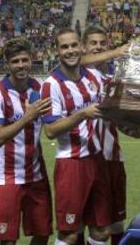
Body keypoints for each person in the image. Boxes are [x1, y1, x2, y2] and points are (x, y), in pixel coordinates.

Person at [40, 28, 111, 245]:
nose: (70, 51)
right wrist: (82, 113)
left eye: (73, 45)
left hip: (97, 159)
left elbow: (114, 104)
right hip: (71, 163)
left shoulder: (95, 77)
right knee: (69, 234)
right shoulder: (51, 85)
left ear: (81, 47)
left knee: (101, 230)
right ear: (57, 51)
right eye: (64, 47)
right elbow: (50, 130)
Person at [0, 37, 53, 245]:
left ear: (32, 60)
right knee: (8, 239)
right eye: (15, 61)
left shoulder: (39, 88)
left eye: (25, 59)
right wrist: (27, 117)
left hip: (37, 174)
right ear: (7, 64)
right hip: (8, 176)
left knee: (43, 233)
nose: (21, 65)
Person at [80, 25, 128, 245]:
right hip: (85, 158)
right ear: (83, 47)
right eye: (93, 43)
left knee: (116, 222)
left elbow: (124, 116)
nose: (98, 47)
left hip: (113, 157)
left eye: (102, 43)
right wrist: (117, 51)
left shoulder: (116, 77)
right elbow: (77, 61)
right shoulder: (77, 74)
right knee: (81, 223)